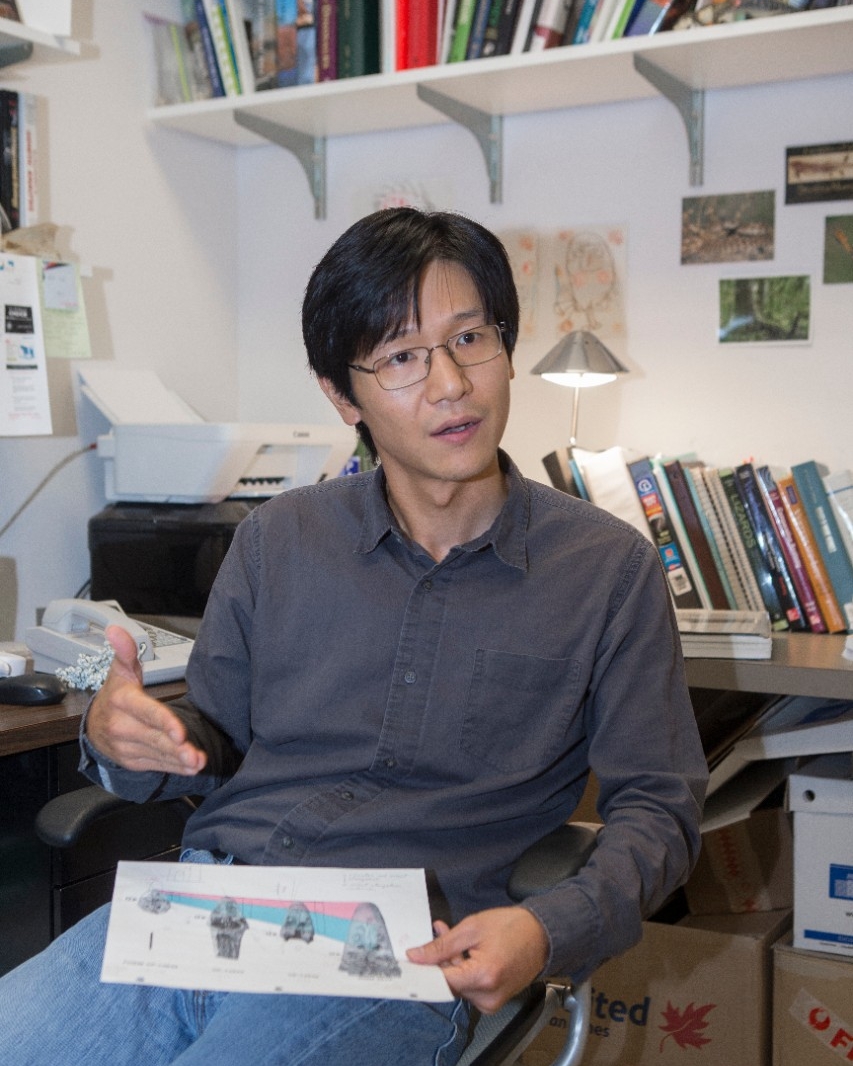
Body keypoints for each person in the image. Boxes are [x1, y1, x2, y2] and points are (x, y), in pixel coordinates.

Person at [0, 208, 707, 1066]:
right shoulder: (276, 540)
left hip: (399, 951)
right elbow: (209, 745)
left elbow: (658, 810)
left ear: (506, 348)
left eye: (469, 338)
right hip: (198, 912)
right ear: (343, 395)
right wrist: (128, 742)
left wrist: (546, 927)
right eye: (402, 357)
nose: (449, 383)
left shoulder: (607, 571)